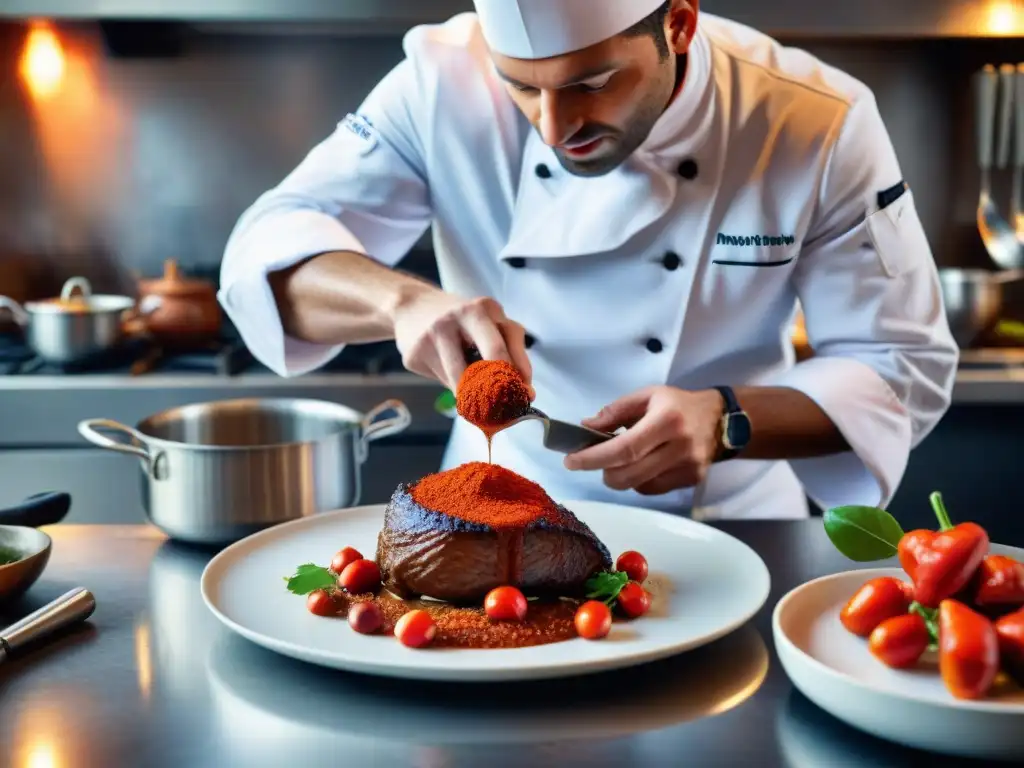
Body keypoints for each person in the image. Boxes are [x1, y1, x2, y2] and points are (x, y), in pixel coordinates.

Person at [218, 0, 959, 520]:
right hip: (491, 510)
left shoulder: (813, 121)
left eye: (592, 83)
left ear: (679, 23)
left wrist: (727, 419)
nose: (554, 125)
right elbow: (267, 248)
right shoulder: (438, 83)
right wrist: (401, 303)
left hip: (729, 522)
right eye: (520, 85)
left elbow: (902, 364)